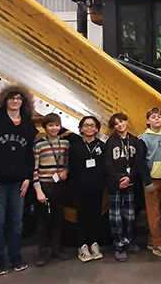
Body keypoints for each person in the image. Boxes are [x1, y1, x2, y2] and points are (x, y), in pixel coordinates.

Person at [0, 84, 37, 276]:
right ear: (4, 100)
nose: (15, 101)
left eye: (19, 98)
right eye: (12, 98)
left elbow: (30, 155)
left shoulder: (28, 124)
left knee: (17, 222)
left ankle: (16, 257)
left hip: (19, 181)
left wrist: (28, 177)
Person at [104, 112, 150, 262]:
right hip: (115, 184)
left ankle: (129, 241)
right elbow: (108, 164)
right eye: (116, 124)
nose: (120, 125)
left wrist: (129, 177)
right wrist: (119, 179)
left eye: (121, 121)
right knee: (116, 216)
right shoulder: (110, 142)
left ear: (126, 121)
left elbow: (137, 162)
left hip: (130, 183)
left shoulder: (134, 140)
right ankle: (119, 245)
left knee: (129, 215)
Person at [32, 113, 75, 266]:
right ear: (45, 127)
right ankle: (44, 252)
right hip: (44, 184)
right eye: (51, 125)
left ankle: (57, 249)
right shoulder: (39, 145)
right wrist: (38, 190)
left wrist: (66, 171)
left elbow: (68, 163)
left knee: (58, 217)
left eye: (57, 125)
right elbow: (34, 169)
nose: (54, 128)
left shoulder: (65, 144)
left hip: (59, 185)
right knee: (42, 220)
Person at [68, 115, 105, 262]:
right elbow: (71, 167)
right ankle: (82, 246)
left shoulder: (102, 146)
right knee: (82, 216)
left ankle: (94, 244)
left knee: (95, 216)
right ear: (81, 129)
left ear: (97, 129)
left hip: (97, 187)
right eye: (86, 125)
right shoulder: (75, 146)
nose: (89, 128)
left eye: (92, 125)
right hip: (80, 187)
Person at [140, 107, 161, 259]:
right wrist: (147, 181)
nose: (156, 119)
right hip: (151, 180)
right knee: (154, 214)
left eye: (159, 117)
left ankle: (151, 240)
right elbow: (140, 161)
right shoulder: (143, 138)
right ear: (148, 121)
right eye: (153, 117)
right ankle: (158, 245)